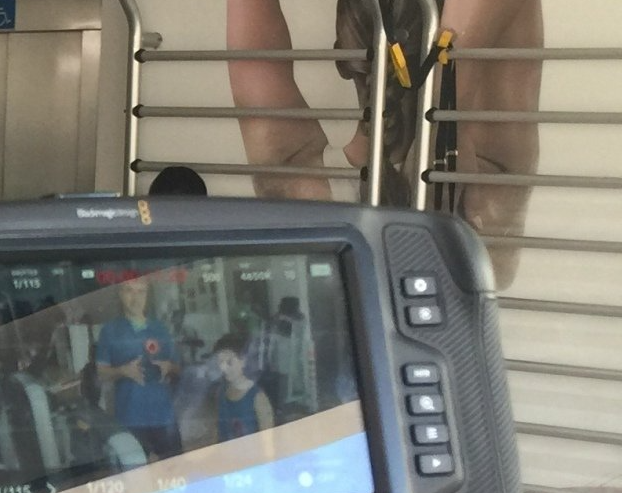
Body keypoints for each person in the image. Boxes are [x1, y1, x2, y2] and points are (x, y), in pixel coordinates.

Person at [225, 0, 540, 287]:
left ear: (343, 61)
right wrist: (447, 70)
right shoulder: (491, 181)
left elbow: (253, 63)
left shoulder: (294, 184)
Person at [96, 276, 182, 460]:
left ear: (147, 294)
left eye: (140, 291)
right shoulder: (109, 331)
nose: (135, 297)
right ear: (120, 294)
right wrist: (122, 371)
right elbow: (101, 373)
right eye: (129, 290)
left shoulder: (160, 329)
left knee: (175, 471)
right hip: (129, 416)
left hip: (163, 415)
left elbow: (179, 369)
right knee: (135, 474)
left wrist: (169, 366)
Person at [212, 333, 274, 441]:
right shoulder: (221, 393)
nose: (223, 368)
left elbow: (268, 440)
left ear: (244, 361)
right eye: (220, 362)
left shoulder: (257, 398)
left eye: (229, 362)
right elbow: (218, 431)